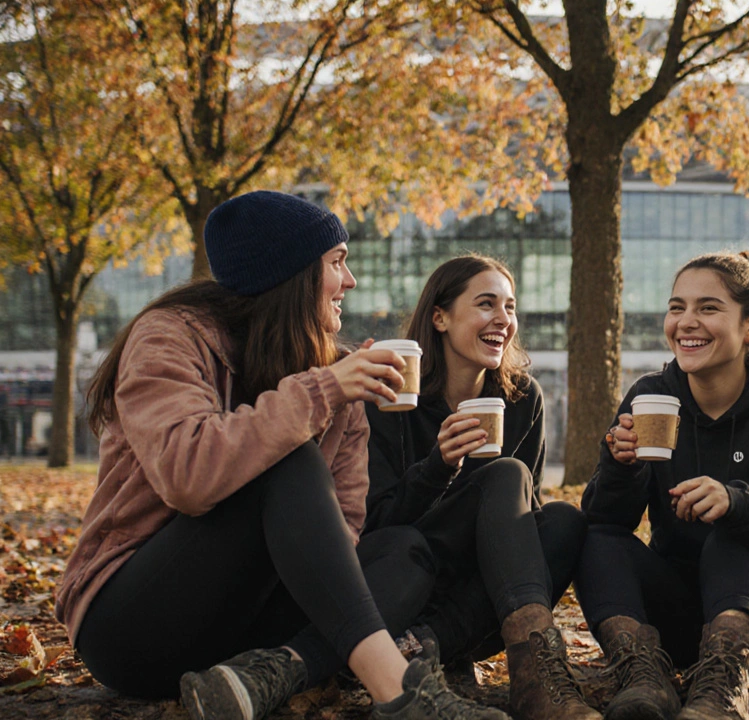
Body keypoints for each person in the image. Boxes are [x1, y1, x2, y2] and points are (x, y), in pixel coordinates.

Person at [55, 191, 503, 720]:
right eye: (337, 262)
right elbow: (186, 477)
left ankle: (266, 676)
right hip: (133, 626)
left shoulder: (334, 372)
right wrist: (323, 393)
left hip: (241, 631)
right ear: (290, 275)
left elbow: (346, 531)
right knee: (287, 460)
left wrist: (337, 404)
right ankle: (401, 694)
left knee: (401, 550)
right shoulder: (171, 336)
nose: (350, 281)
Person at [576, 251, 749, 720]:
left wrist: (741, 506)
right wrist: (622, 466)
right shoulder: (651, 396)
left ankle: (724, 690)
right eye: (677, 307)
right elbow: (607, 526)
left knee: (731, 529)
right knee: (591, 537)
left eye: (708, 308)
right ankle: (643, 675)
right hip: (687, 608)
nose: (686, 322)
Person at [363, 254, 594, 720]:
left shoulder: (522, 397)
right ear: (440, 317)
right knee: (506, 473)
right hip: (406, 577)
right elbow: (378, 524)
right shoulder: (393, 394)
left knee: (564, 521)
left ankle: (438, 648)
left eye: (509, 307)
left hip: (479, 598)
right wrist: (439, 465)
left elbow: (522, 528)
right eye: (486, 304)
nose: (503, 320)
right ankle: (425, 647)